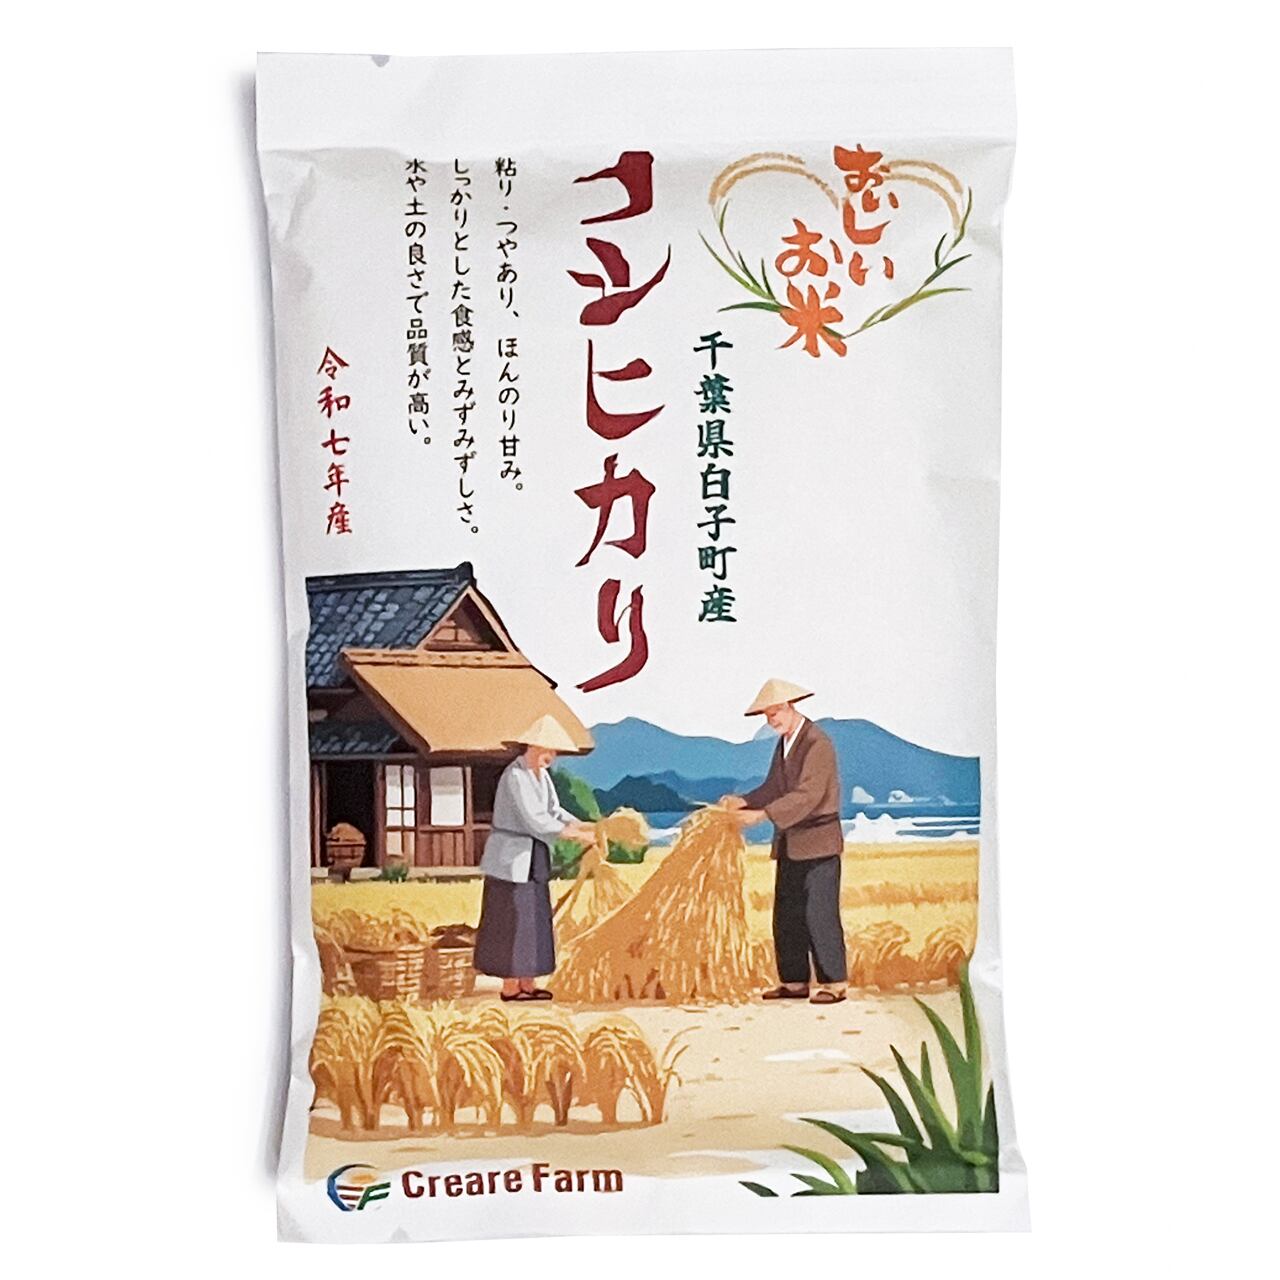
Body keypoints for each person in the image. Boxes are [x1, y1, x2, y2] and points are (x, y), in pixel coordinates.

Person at [721, 679, 848, 1005]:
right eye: (767, 715)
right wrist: (744, 801)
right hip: (791, 841)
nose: (771, 720)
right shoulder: (785, 744)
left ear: (791, 707)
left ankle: (835, 983)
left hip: (818, 842)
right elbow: (775, 787)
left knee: (819, 914)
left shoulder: (817, 743)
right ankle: (793, 981)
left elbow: (809, 794)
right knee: (787, 913)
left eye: (775, 712)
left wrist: (763, 814)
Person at [474, 715, 593, 1001]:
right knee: (512, 919)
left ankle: (528, 983)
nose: (551, 755)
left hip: (534, 854)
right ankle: (510, 986)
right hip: (511, 857)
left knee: (535, 918)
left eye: (554, 751)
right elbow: (535, 820)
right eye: (547, 749)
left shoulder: (542, 776)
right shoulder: (516, 776)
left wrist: (583, 825)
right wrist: (573, 835)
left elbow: (554, 811)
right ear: (532, 746)